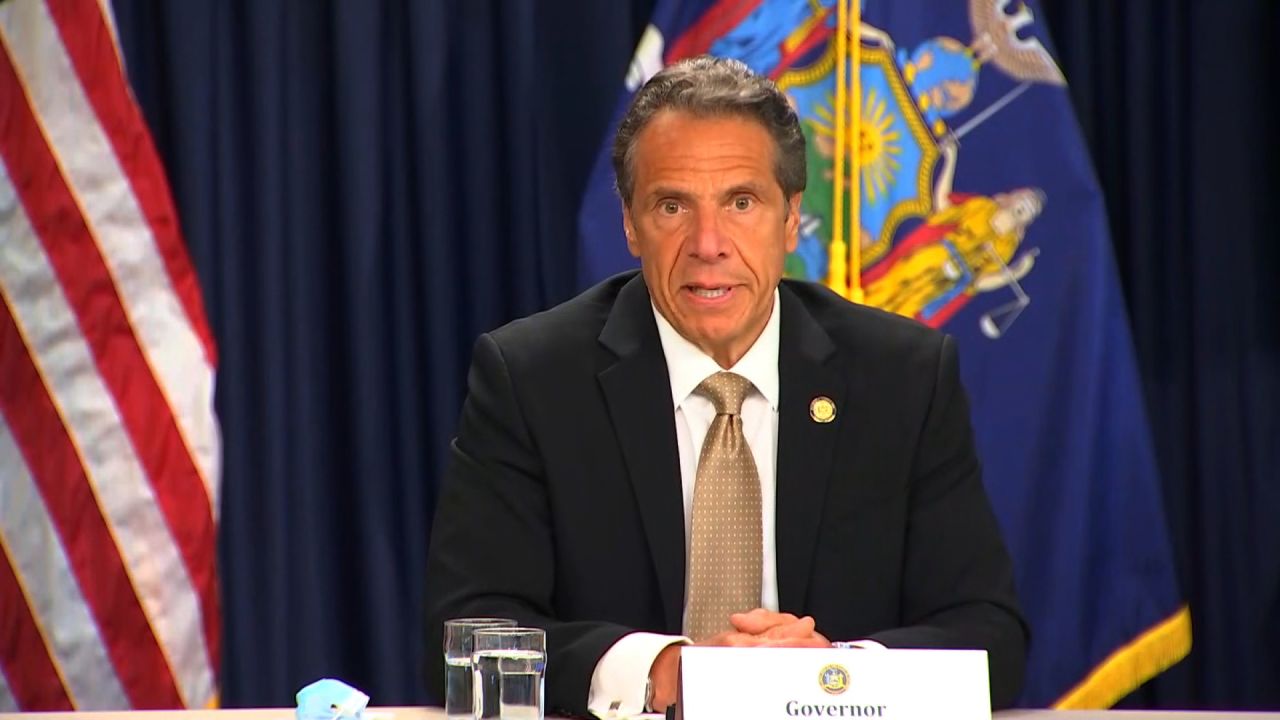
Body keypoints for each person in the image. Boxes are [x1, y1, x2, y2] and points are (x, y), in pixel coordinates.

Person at [424, 56, 1028, 718]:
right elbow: (469, 632)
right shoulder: (533, 378)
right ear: (629, 224)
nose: (708, 243)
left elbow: (988, 635)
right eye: (671, 205)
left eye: (741, 203)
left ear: (792, 218)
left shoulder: (901, 377)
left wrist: (833, 676)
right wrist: (668, 670)